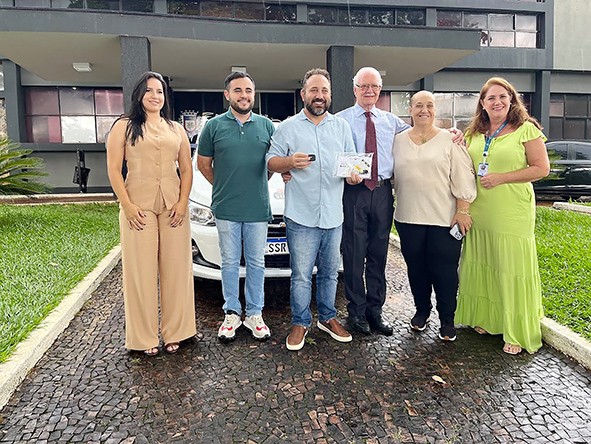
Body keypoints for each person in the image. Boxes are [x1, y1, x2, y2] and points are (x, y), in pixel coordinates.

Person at [267, 68, 361, 351]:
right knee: (301, 274)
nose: (319, 96)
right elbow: (270, 161)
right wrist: (288, 163)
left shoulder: (341, 127)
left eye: (324, 92)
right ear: (303, 94)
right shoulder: (287, 128)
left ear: (329, 95)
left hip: (333, 215)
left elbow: (351, 163)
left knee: (331, 273)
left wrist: (354, 174)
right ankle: (300, 321)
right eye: (314, 91)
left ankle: (327, 318)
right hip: (302, 216)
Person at [455, 77, 550, 355]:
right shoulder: (473, 132)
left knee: (511, 267)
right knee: (483, 262)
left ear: (512, 100)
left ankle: (516, 331)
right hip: (480, 210)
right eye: (490, 98)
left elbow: (541, 168)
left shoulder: (526, 130)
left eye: (502, 97)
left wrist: (503, 178)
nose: (497, 102)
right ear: (482, 104)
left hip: (511, 210)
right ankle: (487, 318)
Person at [106, 71, 196, 356]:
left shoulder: (175, 129)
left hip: (172, 205)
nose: (155, 96)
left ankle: (177, 332)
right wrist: (127, 205)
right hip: (138, 206)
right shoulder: (124, 126)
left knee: (176, 270)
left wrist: (183, 202)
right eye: (149, 91)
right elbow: (113, 169)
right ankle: (143, 338)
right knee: (140, 273)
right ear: (139, 95)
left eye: (160, 91)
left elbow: (187, 168)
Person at [392, 90, 477, 342]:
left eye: (429, 105)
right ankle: (421, 311)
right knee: (416, 270)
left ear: (435, 110)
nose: (424, 110)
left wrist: (463, 210)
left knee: (444, 271)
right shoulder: (398, 140)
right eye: (418, 105)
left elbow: (464, 176)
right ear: (410, 109)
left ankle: (447, 319)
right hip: (408, 217)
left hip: (444, 219)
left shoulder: (450, 140)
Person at [197, 71, 274, 342]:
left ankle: (254, 314)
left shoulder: (266, 126)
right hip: (226, 208)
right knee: (229, 263)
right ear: (227, 95)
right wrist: (223, 186)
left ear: (254, 94)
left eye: (249, 90)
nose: (244, 95)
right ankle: (231, 313)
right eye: (238, 90)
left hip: (257, 208)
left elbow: (272, 165)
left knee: (256, 263)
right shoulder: (214, 126)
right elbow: (203, 163)